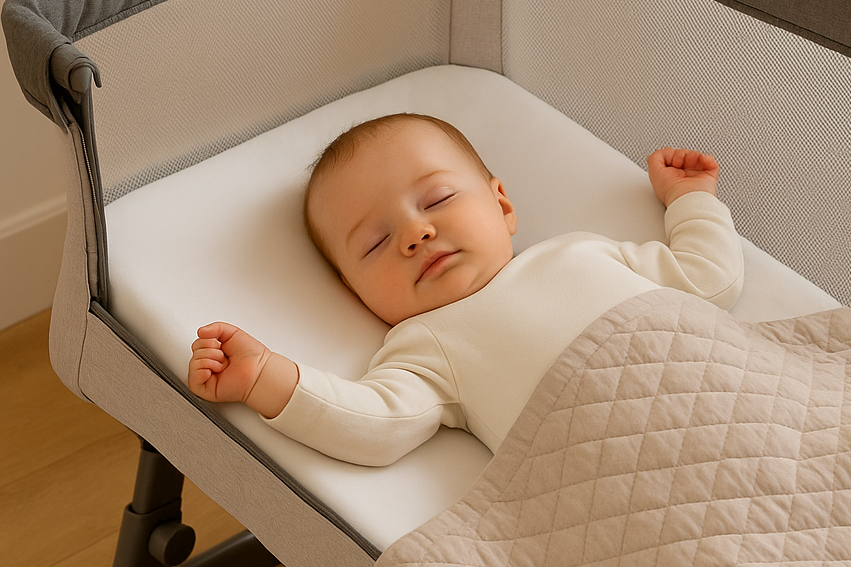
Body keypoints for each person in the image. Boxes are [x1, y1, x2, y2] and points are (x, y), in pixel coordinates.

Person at [187, 113, 744, 466]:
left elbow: (707, 279)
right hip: (618, 463)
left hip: (729, 395)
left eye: (436, 201)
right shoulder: (428, 343)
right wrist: (267, 378)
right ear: (354, 292)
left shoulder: (581, 252)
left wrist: (691, 199)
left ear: (501, 204)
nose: (416, 233)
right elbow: (376, 425)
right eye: (376, 243)